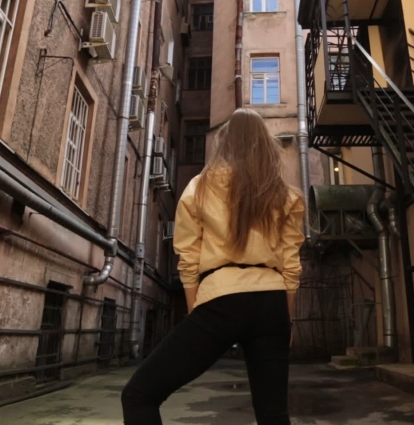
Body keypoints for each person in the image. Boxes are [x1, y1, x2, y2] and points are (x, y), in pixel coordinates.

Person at [121, 108, 306, 425]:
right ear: (264, 145)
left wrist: (196, 312)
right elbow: (291, 265)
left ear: (225, 145)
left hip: (221, 300)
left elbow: (188, 257)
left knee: (139, 395)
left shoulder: (200, 187)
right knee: (274, 416)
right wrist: (285, 320)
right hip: (272, 300)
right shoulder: (286, 196)